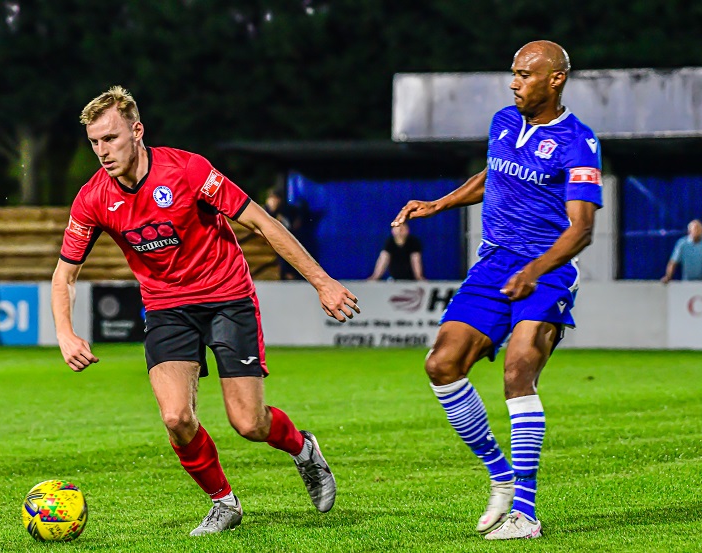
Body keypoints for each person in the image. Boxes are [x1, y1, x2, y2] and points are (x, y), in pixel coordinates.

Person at [51, 86, 360, 537]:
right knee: (176, 417)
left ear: (137, 131)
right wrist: (65, 331)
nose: (103, 152)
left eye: (111, 138)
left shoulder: (188, 170)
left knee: (248, 423)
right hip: (166, 308)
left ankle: (304, 449)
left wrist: (322, 282)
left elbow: (261, 220)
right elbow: (65, 275)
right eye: (95, 142)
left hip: (226, 296)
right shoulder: (94, 198)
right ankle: (224, 503)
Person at [392, 41, 601, 540]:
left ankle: (525, 513)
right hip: (492, 266)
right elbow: (496, 176)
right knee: (441, 365)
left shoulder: (578, 142)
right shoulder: (503, 122)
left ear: (556, 80)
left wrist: (536, 269)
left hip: (547, 271)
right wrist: (440, 204)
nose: (514, 83)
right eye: (513, 73)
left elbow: (582, 229)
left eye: (525, 75)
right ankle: (500, 475)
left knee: (519, 366)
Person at [263, 187, 305, 280]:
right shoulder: (265, 211)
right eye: (271, 198)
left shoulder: (287, 210)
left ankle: (289, 273)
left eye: (276, 198)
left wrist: (295, 225)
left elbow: (296, 219)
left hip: (287, 237)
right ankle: (285, 273)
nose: (273, 201)